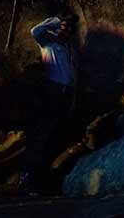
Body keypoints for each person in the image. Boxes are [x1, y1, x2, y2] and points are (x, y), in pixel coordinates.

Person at [20, 12, 78, 194]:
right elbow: (35, 30)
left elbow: (72, 74)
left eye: (69, 29)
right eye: (63, 28)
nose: (66, 31)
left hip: (65, 94)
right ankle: (30, 180)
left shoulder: (68, 47)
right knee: (43, 135)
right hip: (53, 92)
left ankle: (42, 179)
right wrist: (57, 21)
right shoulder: (48, 42)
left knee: (56, 136)